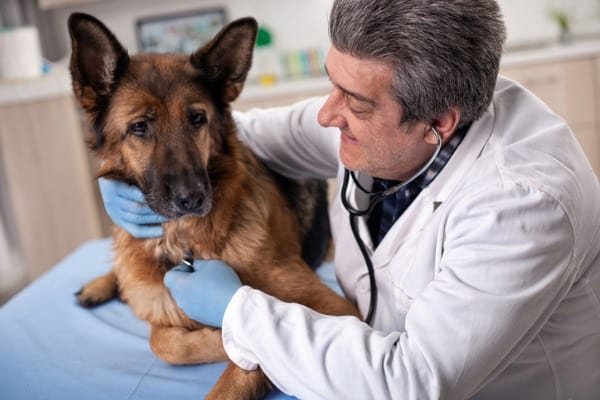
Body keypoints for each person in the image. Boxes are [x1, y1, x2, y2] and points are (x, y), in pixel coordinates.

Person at [98, 0, 600, 398]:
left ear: (438, 123)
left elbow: (409, 383)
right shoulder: (386, 118)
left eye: (354, 102)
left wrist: (235, 310)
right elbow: (236, 132)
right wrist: (123, 166)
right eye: (331, 85)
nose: (326, 115)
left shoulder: (526, 207)